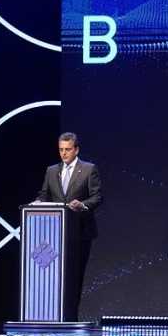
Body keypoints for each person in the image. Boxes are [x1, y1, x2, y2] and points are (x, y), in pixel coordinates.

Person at [35, 132, 102, 322]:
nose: (63, 154)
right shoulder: (51, 171)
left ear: (76, 149)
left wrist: (83, 205)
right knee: (53, 278)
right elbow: (44, 194)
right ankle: (51, 317)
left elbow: (97, 197)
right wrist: (38, 202)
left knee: (73, 279)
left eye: (67, 150)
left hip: (79, 233)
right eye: (61, 150)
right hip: (54, 234)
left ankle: (70, 319)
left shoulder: (89, 169)